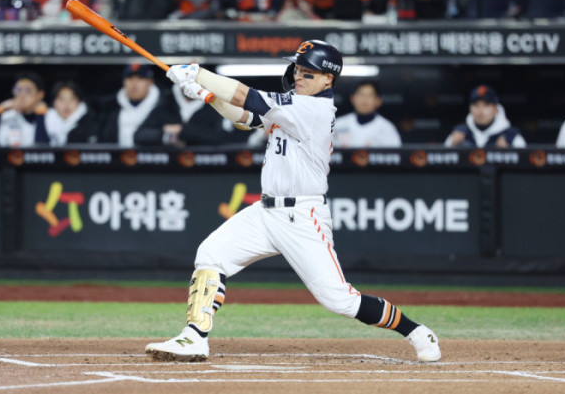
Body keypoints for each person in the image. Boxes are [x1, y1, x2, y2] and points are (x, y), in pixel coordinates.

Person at [144, 39, 441, 363]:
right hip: (265, 211)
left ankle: (415, 331)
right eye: (298, 69)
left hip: (301, 216)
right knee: (210, 254)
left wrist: (198, 74)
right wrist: (207, 95)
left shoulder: (314, 110)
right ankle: (194, 337)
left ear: (328, 79)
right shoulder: (294, 105)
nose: (299, 76)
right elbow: (245, 117)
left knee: (338, 300)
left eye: (308, 72)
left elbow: (246, 96)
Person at [135, 82, 249, 146]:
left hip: (208, 169)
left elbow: (227, 139)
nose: (192, 84)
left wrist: (182, 130)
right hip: (168, 170)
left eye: (196, 79)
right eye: (188, 79)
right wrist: (168, 137)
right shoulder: (166, 105)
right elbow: (139, 136)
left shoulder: (216, 108)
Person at [97, 63, 176, 147]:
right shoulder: (110, 108)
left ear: (150, 82)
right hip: (118, 155)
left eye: (140, 78)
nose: (134, 84)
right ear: (123, 82)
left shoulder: (166, 106)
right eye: (130, 78)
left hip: (153, 155)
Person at [444, 85, 526, 148]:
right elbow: (442, 160)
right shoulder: (459, 133)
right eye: (476, 105)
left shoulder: (512, 136)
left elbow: (524, 162)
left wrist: (508, 152)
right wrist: (452, 145)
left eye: (486, 105)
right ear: (470, 109)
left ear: (496, 109)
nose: (480, 111)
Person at [0, 72, 50, 147]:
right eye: (18, 90)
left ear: (40, 94)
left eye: (28, 91)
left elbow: (43, 149)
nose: (22, 95)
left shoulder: (51, 116)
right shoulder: (8, 116)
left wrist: (40, 116)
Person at [333, 80, 401, 148]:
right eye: (361, 95)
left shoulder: (387, 128)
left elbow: (395, 153)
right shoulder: (338, 124)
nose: (364, 99)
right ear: (352, 98)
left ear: (378, 101)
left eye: (370, 95)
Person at [45, 81, 98, 145]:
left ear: (78, 102)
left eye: (72, 99)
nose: (67, 104)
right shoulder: (44, 121)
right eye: (61, 99)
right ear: (54, 102)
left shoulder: (91, 123)